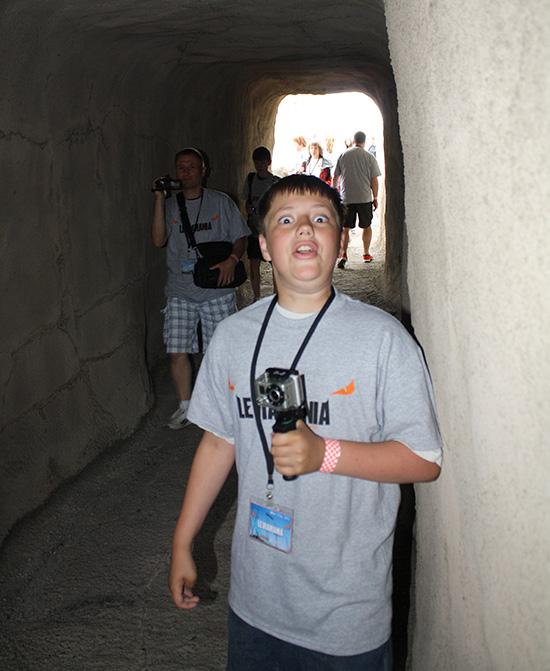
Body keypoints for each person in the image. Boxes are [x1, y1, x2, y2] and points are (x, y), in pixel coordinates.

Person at [169, 174, 442, 670]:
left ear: (340, 242)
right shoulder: (232, 338)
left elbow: (423, 459)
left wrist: (325, 454)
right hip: (253, 603)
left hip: (344, 615)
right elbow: (217, 441)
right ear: (263, 247)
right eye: (286, 220)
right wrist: (182, 541)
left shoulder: (383, 339)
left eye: (321, 220)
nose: (304, 230)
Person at [151, 147, 249, 429]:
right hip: (180, 290)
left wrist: (232, 259)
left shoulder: (220, 202)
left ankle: (221, 406)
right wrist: (159, 199)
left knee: (218, 351)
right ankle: (186, 406)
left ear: (203, 170)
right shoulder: (170, 206)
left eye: (192, 167)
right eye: (181, 168)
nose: (186, 172)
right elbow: (158, 240)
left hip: (216, 288)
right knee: (177, 350)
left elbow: (241, 236)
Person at [333, 131, 381, 267]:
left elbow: (336, 176)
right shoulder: (369, 157)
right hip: (364, 197)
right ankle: (366, 253)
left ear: (353, 141)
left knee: (346, 227)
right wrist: (375, 197)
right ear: (364, 141)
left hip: (347, 197)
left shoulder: (343, 155)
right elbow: (374, 180)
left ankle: (344, 254)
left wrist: (335, 193)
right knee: (366, 226)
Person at [241, 146, 279, 302]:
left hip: (271, 231)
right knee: (254, 263)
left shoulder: (275, 182)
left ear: (268, 163)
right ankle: (257, 297)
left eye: (262, 162)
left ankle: (276, 296)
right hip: (254, 230)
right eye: (257, 163)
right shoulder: (250, 180)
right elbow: (246, 203)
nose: (259, 166)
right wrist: (249, 209)